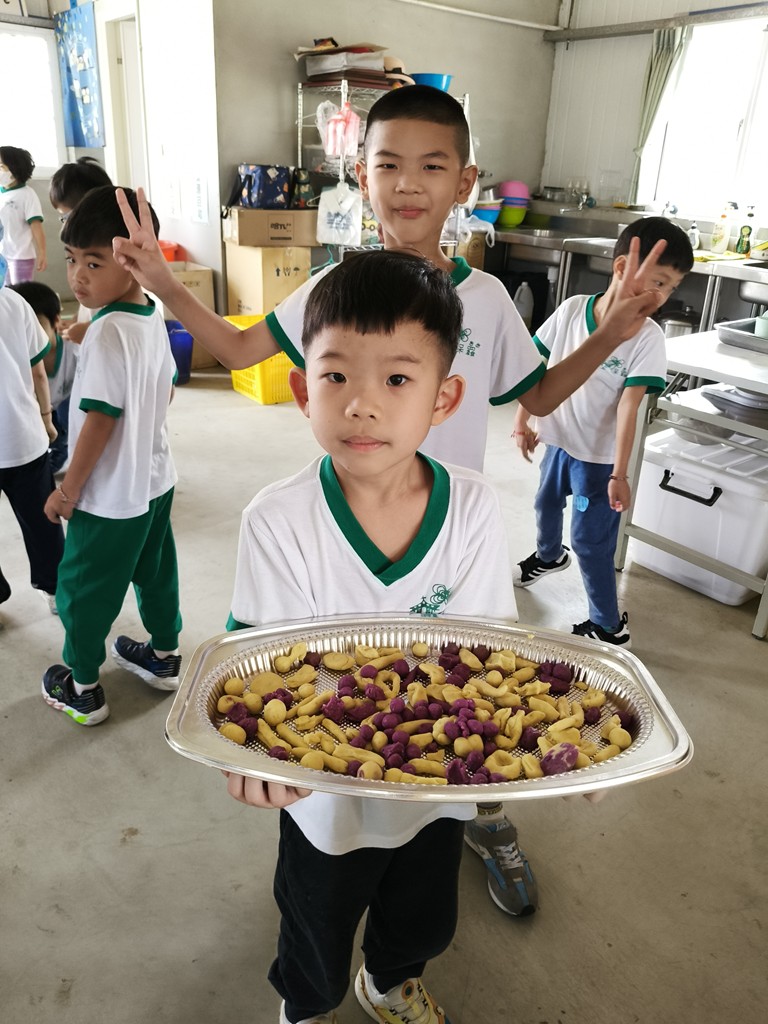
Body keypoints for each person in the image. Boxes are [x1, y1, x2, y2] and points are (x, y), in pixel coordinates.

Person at [112, 88, 668, 916]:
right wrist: (165, 283)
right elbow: (236, 348)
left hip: (449, 526)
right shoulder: (334, 289)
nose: (408, 184)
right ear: (360, 174)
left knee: (468, 695)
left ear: (464, 181)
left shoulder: (486, 301)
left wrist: (610, 336)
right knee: (350, 694)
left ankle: (482, 807)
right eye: (388, 164)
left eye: (431, 166)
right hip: (354, 507)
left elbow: (541, 395)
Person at [225, 249, 520, 1024]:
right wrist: (249, 752)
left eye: (396, 380)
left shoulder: (475, 511)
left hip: (438, 790)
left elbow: (490, 659)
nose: (361, 405)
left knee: (422, 917)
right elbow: (258, 674)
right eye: (336, 376)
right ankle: (306, 1004)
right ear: (302, 389)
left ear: (444, 398)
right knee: (315, 924)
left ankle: (390, 981)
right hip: (325, 799)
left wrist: (540, 750)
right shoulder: (278, 521)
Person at [511, 217, 693, 649]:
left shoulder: (648, 338)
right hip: (559, 443)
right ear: (621, 268)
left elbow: (630, 408)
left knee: (590, 542)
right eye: (658, 281)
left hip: (598, 462)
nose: (662, 295)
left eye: (671, 287)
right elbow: (535, 369)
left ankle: (609, 626)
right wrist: (522, 421)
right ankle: (549, 557)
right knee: (545, 503)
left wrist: (619, 473)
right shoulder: (573, 309)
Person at [41, 186, 182, 726]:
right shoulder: (149, 312)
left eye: (94, 262)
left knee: (83, 589)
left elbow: (100, 421)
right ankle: (164, 656)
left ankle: (82, 687)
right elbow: (165, 389)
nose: (78, 277)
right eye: (72, 259)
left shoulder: (106, 336)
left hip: (109, 497)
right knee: (156, 570)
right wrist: (89, 331)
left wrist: (68, 490)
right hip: (155, 479)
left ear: (131, 261)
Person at [0, 236, 63, 620]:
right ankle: (55, 589)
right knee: (42, 520)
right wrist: (46, 418)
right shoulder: (13, 302)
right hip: (23, 440)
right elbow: (38, 372)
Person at [9, 281, 76, 473]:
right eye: (20, 327)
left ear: (56, 321)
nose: (29, 335)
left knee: (65, 418)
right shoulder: (15, 355)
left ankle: (61, 450)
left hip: (62, 409)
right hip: (35, 411)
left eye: (35, 325)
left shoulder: (74, 351)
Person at [49, 156, 114, 345]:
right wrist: (78, 320)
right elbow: (90, 303)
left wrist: (91, 330)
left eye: (66, 217)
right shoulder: (83, 249)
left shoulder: (110, 251)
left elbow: (122, 311)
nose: (65, 225)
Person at [0, 146, 46, 284]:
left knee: (21, 293)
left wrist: (42, 252)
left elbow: (36, 226)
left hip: (21, 257)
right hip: (3, 255)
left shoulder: (27, 194)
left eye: (1, 167)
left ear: (15, 169)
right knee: (5, 293)